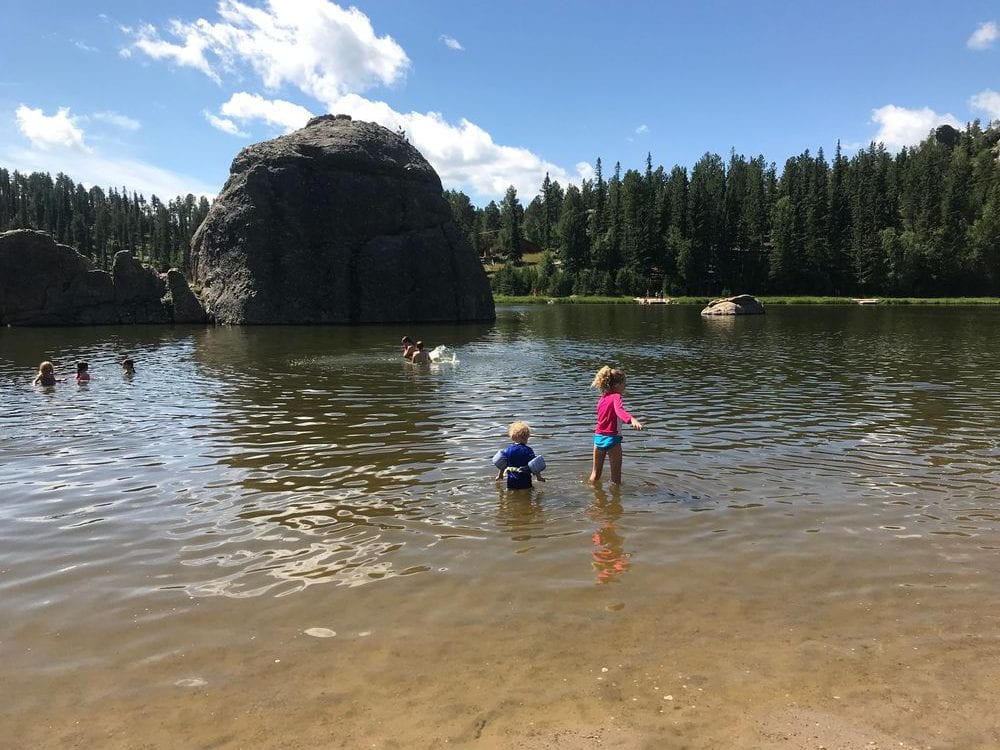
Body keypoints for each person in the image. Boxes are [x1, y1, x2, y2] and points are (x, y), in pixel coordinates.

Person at [589, 366, 644, 485]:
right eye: (624, 383)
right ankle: (616, 501)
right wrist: (631, 419)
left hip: (598, 438)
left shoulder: (602, 399)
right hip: (612, 439)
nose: (625, 387)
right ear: (617, 384)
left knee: (595, 475)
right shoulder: (616, 397)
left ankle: (594, 501)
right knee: (616, 479)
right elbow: (619, 411)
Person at [492, 421, 546, 490]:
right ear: (527, 437)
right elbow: (535, 466)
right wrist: (539, 477)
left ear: (512, 437)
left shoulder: (508, 450)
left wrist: (500, 475)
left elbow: (502, 464)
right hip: (525, 482)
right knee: (529, 494)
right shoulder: (528, 450)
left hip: (511, 483)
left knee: (509, 497)